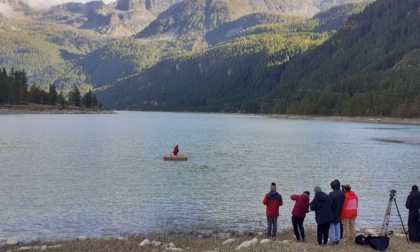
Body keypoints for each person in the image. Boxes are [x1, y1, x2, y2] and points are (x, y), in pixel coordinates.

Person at [329, 179, 345, 245]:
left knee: (332, 226)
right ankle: (337, 239)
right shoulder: (342, 193)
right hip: (340, 210)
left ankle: (332, 240)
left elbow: (330, 204)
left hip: (333, 211)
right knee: (338, 225)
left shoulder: (331, 194)